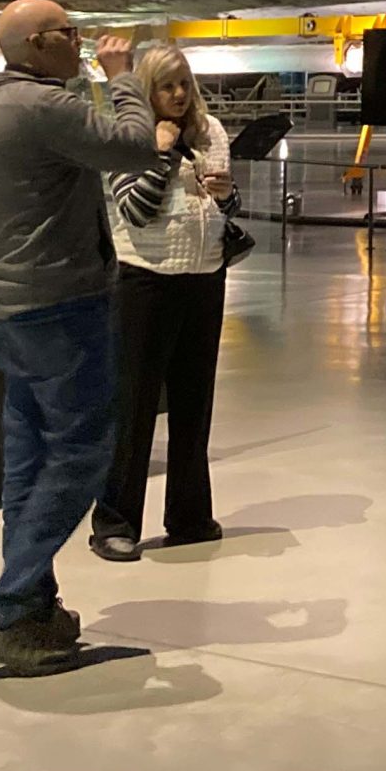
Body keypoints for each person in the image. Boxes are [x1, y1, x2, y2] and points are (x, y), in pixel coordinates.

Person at [0, 0, 156, 674]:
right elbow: (135, 146)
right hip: (65, 309)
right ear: (38, 45)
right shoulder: (47, 107)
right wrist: (122, 77)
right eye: (70, 33)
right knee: (82, 454)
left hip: (10, 311)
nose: (81, 42)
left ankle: (33, 609)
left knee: (28, 462)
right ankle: (9, 606)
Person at [90, 44, 244, 562]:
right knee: (133, 406)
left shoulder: (211, 132)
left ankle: (189, 515)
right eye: (166, 86)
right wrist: (159, 154)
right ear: (147, 90)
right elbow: (134, 210)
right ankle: (115, 522)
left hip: (204, 276)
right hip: (145, 280)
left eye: (183, 84)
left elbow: (228, 207)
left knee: (194, 403)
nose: (178, 94)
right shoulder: (127, 137)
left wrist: (225, 194)